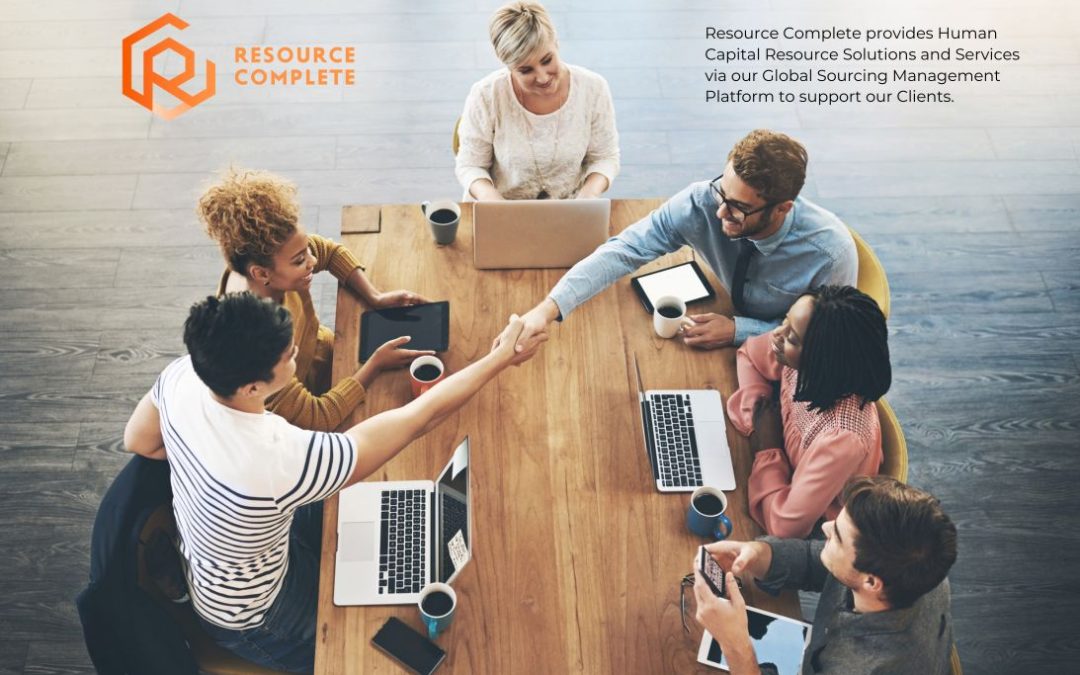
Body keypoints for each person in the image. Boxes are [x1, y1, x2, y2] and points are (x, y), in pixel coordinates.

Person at [122, 293, 541, 673]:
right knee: (360, 655)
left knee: (378, 526)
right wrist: (499, 359)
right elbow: (419, 420)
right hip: (254, 614)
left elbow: (136, 440)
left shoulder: (183, 375)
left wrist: (200, 462)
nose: (298, 353)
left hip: (233, 557)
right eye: (289, 355)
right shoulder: (278, 457)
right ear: (252, 387)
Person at [508, 129, 857, 352]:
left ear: (782, 208)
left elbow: (828, 341)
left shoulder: (829, 254)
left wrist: (739, 330)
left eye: (738, 209)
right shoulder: (704, 200)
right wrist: (548, 309)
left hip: (779, 356)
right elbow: (625, 249)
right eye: (723, 191)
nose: (720, 213)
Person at [199, 167, 431, 432]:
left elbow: (329, 252)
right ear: (261, 273)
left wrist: (375, 297)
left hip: (324, 353)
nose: (312, 261)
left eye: (306, 249)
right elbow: (319, 417)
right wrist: (375, 365)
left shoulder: (269, 260)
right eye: (300, 261)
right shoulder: (255, 348)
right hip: (301, 413)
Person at [692, 475, 958, 675]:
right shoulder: (918, 567)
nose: (826, 527)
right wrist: (758, 553)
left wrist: (736, 645)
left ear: (871, 582)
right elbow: (818, 562)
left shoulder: (859, 668)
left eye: (838, 537)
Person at [728, 285, 890, 538]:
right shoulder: (800, 360)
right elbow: (750, 353)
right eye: (785, 321)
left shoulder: (841, 437)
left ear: (825, 358)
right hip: (781, 477)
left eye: (792, 338)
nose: (776, 335)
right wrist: (757, 415)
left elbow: (785, 527)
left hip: (820, 529)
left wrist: (767, 447)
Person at [455, 1, 620, 200]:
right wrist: (495, 203)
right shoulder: (485, 95)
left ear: (556, 42)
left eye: (547, 60)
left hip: (570, 208)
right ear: (508, 66)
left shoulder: (594, 88)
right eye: (525, 70)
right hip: (501, 207)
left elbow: (605, 157)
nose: (542, 77)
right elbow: (471, 165)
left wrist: (589, 193)